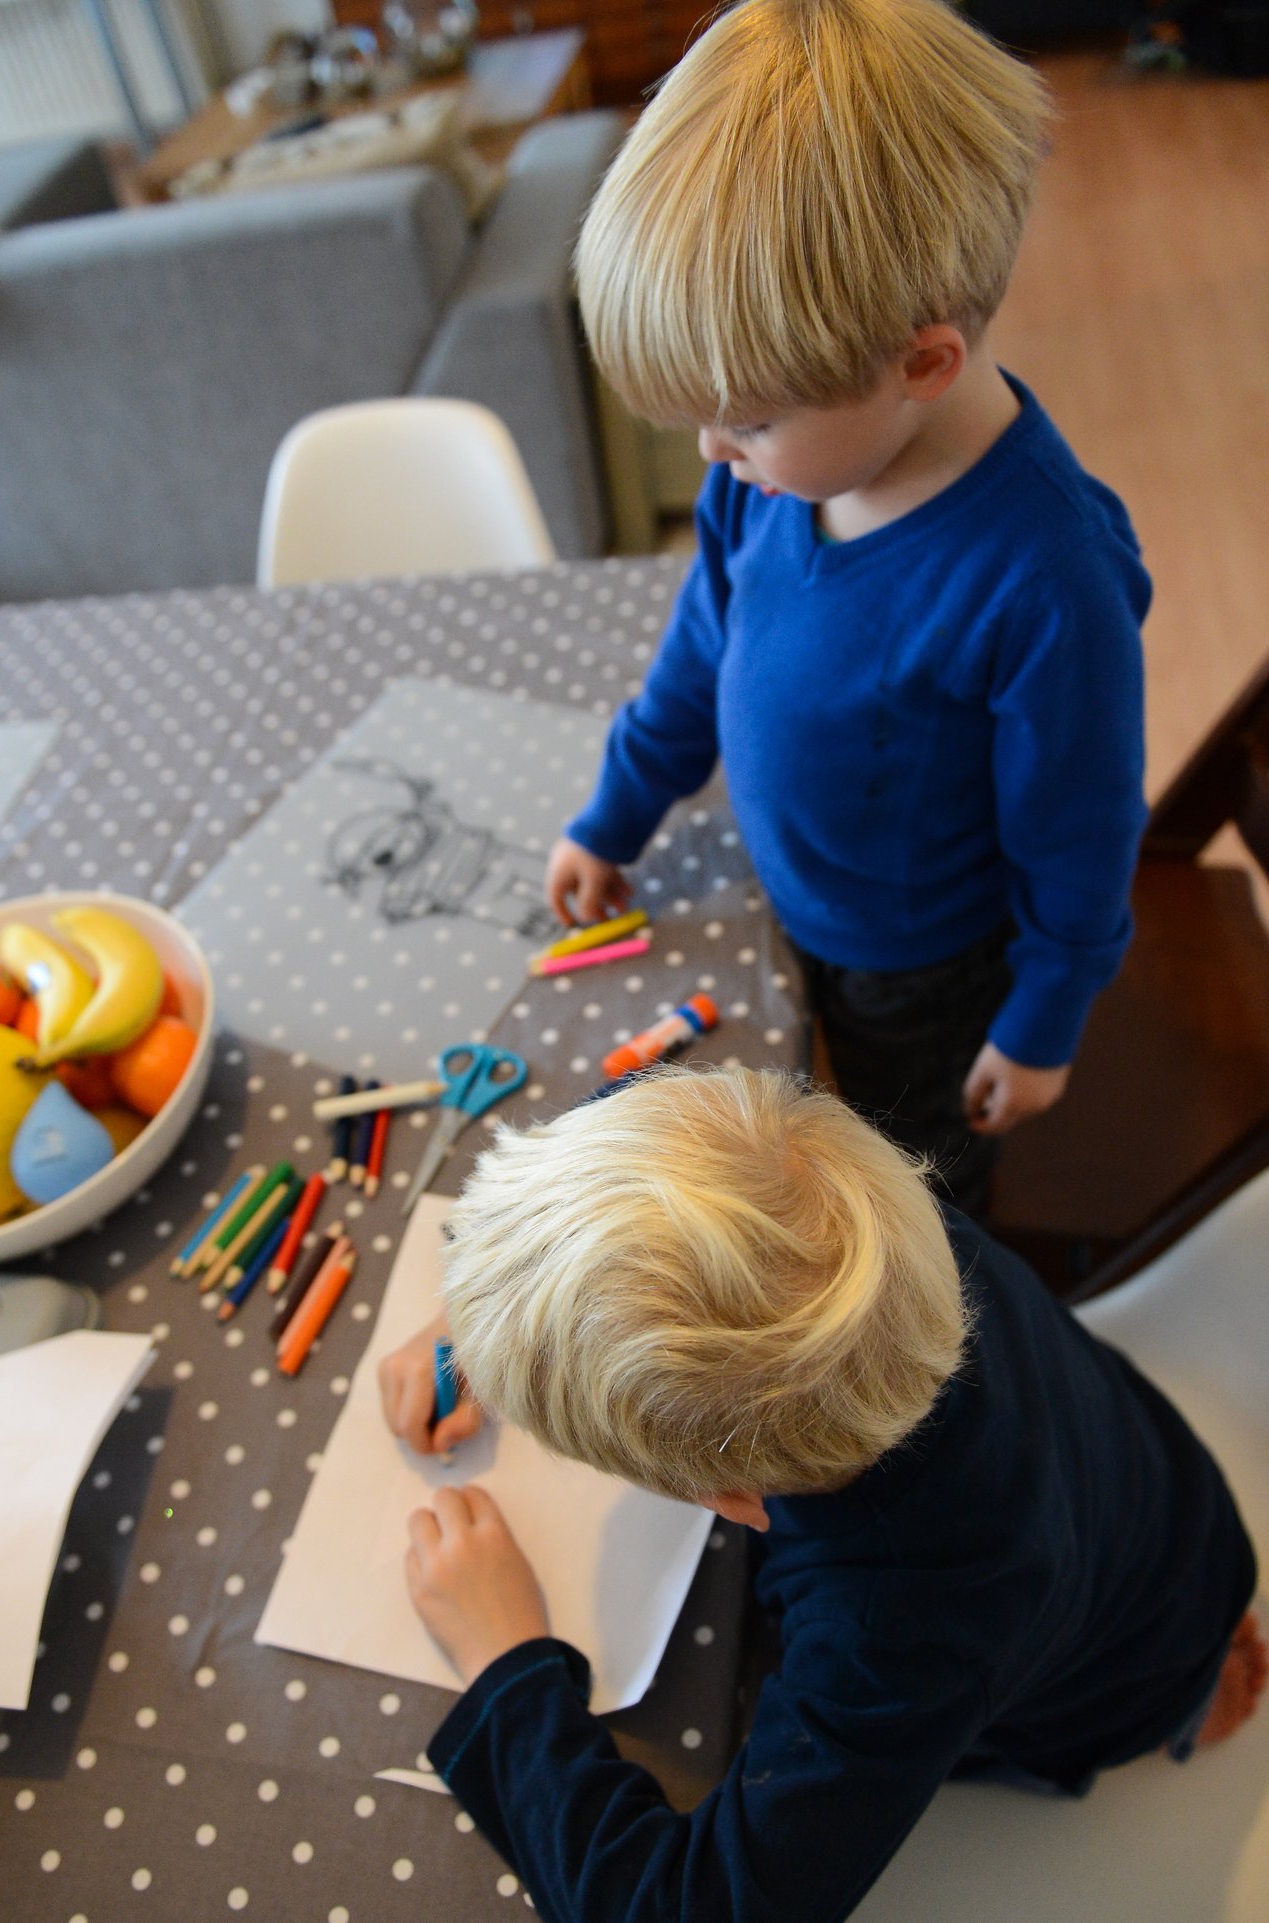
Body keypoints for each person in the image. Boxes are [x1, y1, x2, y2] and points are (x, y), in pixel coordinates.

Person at [380, 1066, 1264, 1923]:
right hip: (1158, 1481)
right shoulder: (841, 1193)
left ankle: (1186, 1700)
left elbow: (691, 1907)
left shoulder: (898, 1636)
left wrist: (508, 1668)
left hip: (1117, 1663)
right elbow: (637, 1112)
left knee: (1154, 1680)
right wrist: (485, 1302)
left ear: (727, 1496)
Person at [545, 0, 1153, 1215]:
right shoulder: (770, 481)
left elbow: (1079, 834)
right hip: (802, 909)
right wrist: (617, 812)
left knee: (915, 1195)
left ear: (919, 364)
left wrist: (1040, 1022)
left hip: (927, 973)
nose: (714, 452)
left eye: (751, 419)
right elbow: (699, 656)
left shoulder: (1043, 580)